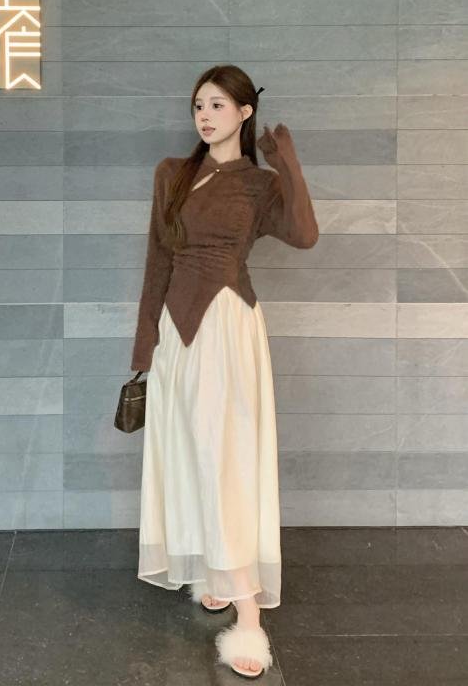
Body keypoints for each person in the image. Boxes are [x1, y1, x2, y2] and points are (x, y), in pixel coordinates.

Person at [130, 64, 319, 678]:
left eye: (216, 105)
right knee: (190, 455)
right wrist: (145, 347)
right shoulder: (172, 174)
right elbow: (157, 261)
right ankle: (215, 569)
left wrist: (287, 164)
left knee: (226, 461)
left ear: (244, 112)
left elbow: (305, 235)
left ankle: (250, 619)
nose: (204, 116)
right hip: (178, 337)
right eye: (198, 106)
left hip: (229, 331)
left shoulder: (260, 185)